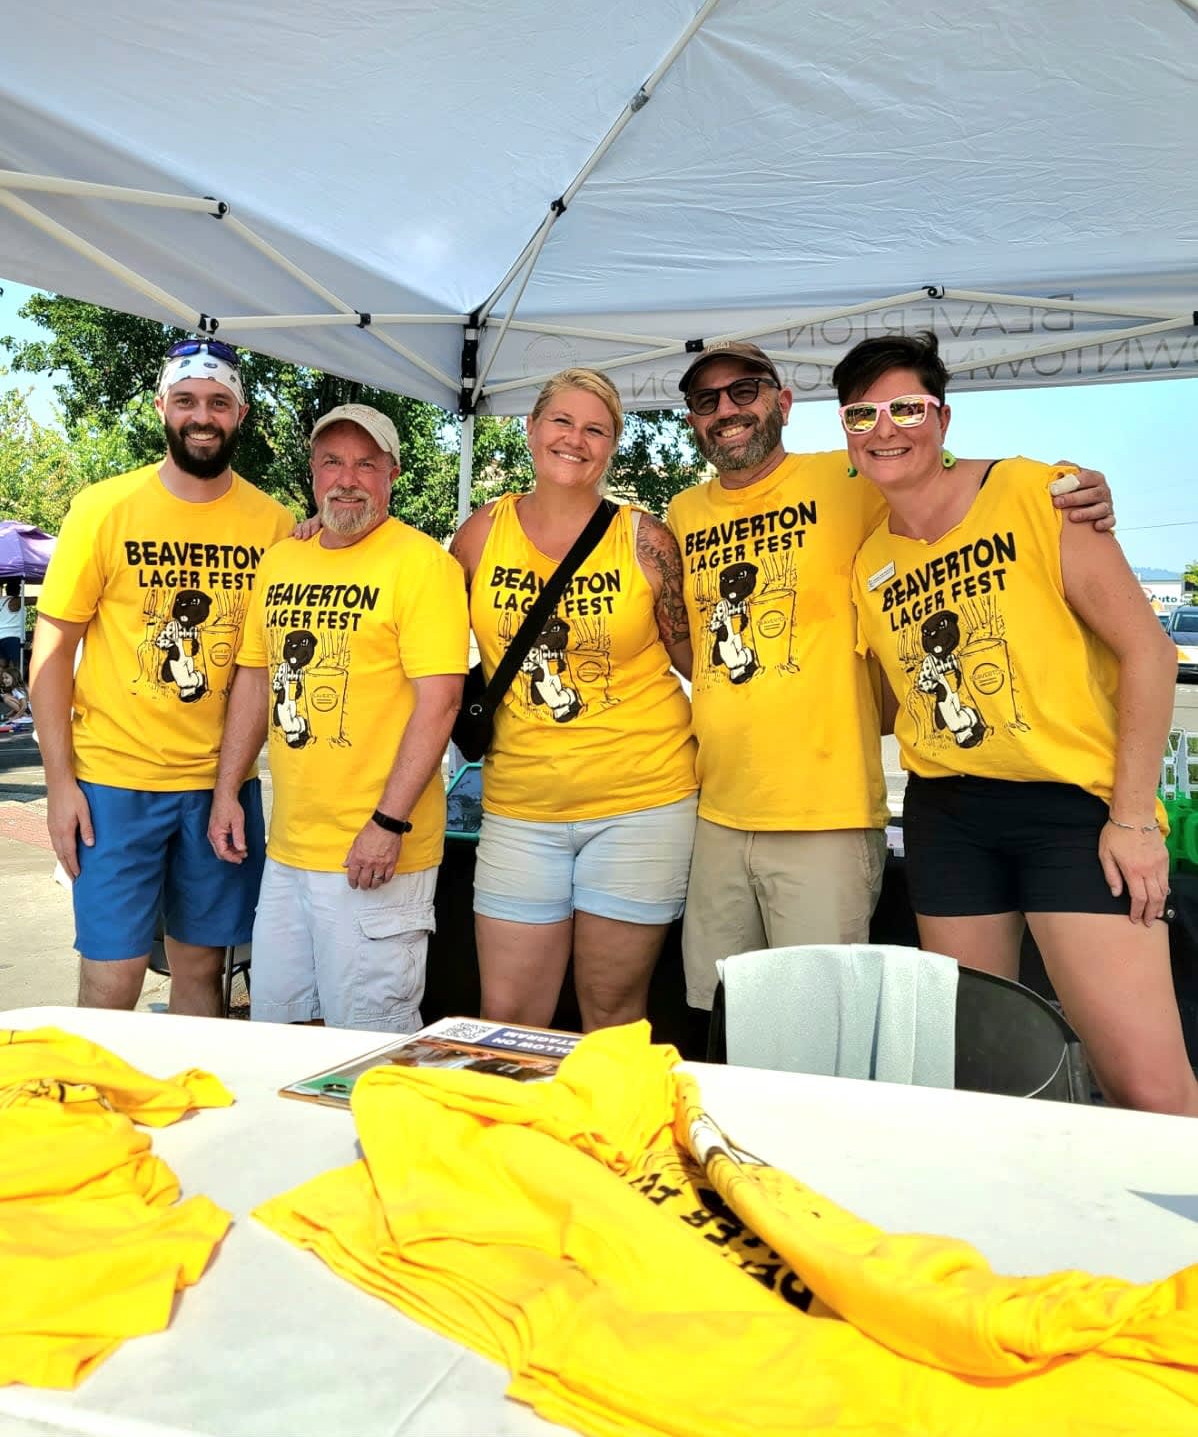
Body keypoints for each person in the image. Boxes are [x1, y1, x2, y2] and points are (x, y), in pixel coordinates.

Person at [665, 339, 1117, 1015]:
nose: (728, 409)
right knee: (720, 1017)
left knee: (818, 1028)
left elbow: (941, 476)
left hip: (828, 814)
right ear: (694, 421)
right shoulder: (682, 513)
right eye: (708, 401)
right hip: (719, 812)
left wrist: (1073, 487)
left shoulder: (851, 480)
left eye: (746, 391)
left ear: (782, 403)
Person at [837, 331, 1197, 1115]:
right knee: (983, 1070)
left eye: (905, 407)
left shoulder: (1040, 492)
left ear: (943, 418)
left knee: (1148, 1085)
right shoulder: (869, 561)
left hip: (1070, 809)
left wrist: (1135, 817)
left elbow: (1151, 653)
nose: (885, 430)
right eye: (861, 416)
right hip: (948, 816)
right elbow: (898, 705)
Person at [30, 339, 295, 1013]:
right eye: (186, 401)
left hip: (216, 789)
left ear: (239, 413)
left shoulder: (273, 524)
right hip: (113, 785)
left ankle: (187, 1112)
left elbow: (255, 669)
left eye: (217, 401)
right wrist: (61, 785)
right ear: (161, 408)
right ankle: (87, 1111)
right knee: (112, 979)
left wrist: (231, 784)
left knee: (201, 975)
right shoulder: (103, 507)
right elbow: (52, 653)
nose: (200, 415)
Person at [450, 369, 697, 1032]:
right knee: (506, 1016)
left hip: (641, 803)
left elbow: (695, 660)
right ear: (531, 430)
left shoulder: (645, 540)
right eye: (562, 421)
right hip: (520, 807)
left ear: (611, 446)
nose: (575, 439)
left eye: (596, 429)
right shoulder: (480, 534)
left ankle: (608, 1136)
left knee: (612, 1015)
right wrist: (324, 538)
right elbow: (424, 640)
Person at [208, 404, 468, 1034]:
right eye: (332, 462)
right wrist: (226, 792)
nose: (347, 477)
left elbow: (441, 703)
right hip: (291, 852)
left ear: (393, 473)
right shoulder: (281, 560)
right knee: (280, 1031)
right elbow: (255, 677)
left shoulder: (422, 563)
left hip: (377, 852)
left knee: (370, 1044)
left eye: (365, 464)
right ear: (312, 473)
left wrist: (388, 822)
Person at [0, 578, 23, 674]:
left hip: (0, 636)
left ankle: (2, 685)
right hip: (13, 637)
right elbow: (34, 600)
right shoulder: (18, 601)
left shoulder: (1, 600)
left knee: (2, 665)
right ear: (17, 589)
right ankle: (16, 685)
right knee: (16, 665)